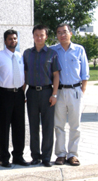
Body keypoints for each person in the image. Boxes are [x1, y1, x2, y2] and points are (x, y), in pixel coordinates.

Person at [51, 24, 90, 166]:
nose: (62, 35)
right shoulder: (53, 50)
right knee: (59, 124)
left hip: (75, 91)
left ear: (71, 33)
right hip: (59, 92)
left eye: (65, 32)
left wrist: (82, 91)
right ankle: (61, 154)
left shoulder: (79, 50)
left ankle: (73, 154)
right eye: (59, 32)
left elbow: (85, 74)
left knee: (75, 125)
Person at [23, 25, 61, 167]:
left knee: (47, 126)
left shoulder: (52, 54)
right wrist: (23, 92)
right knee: (33, 126)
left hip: (47, 93)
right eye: (36, 35)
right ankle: (35, 156)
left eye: (42, 35)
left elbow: (56, 75)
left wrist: (54, 94)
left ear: (46, 36)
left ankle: (46, 157)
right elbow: (24, 75)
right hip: (31, 93)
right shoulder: (27, 53)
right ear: (33, 36)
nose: (39, 37)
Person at [0, 29, 29, 168]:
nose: (13, 41)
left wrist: (23, 90)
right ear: (5, 41)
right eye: (10, 39)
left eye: (15, 38)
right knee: (4, 127)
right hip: (4, 94)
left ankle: (18, 156)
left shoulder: (20, 56)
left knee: (19, 127)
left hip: (19, 94)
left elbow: (24, 75)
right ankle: (4, 157)